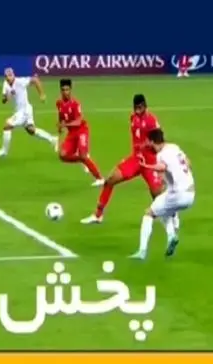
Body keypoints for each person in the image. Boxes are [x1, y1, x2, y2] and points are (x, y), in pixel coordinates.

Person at [81, 94, 173, 225]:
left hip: (150, 163)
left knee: (157, 195)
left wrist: (150, 148)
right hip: (136, 160)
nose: (137, 110)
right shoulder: (133, 118)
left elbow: (160, 140)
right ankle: (98, 215)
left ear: (145, 106)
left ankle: (171, 218)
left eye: (140, 107)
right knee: (110, 180)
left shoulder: (152, 121)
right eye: (135, 107)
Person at [131, 129, 195, 260]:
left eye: (148, 141)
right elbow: (188, 163)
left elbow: (162, 167)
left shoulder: (161, 155)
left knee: (149, 214)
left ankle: (142, 252)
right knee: (163, 209)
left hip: (178, 194)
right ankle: (171, 236)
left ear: (152, 141)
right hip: (191, 194)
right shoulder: (175, 147)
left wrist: (145, 166)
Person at [0, 68, 57, 157]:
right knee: (31, 130)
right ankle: (53, 139)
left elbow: (35, 80)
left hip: (24, 110)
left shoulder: (20, 81)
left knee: (7, 125)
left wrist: (42, 95)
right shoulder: (5, 84)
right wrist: (7, 97)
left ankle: (4, 151)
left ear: (13, 75)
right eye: (7, 76)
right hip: (21, 111)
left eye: (10, 75)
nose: (9, 77)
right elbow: (3, 100)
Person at [56, 78, 103, 185]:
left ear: (70, 90)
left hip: (81, 131)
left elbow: (78, 121)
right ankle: (82, 159)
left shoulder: (75, 104)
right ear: (60, 91)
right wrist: (60, 126)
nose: (65, 92)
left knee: (83, 155)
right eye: (63, 90)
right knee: (62, 155)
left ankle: (100, 178)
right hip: (72, 133)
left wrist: (65, 125)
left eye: (67, 90)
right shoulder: (59, 103)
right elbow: (61, 115)